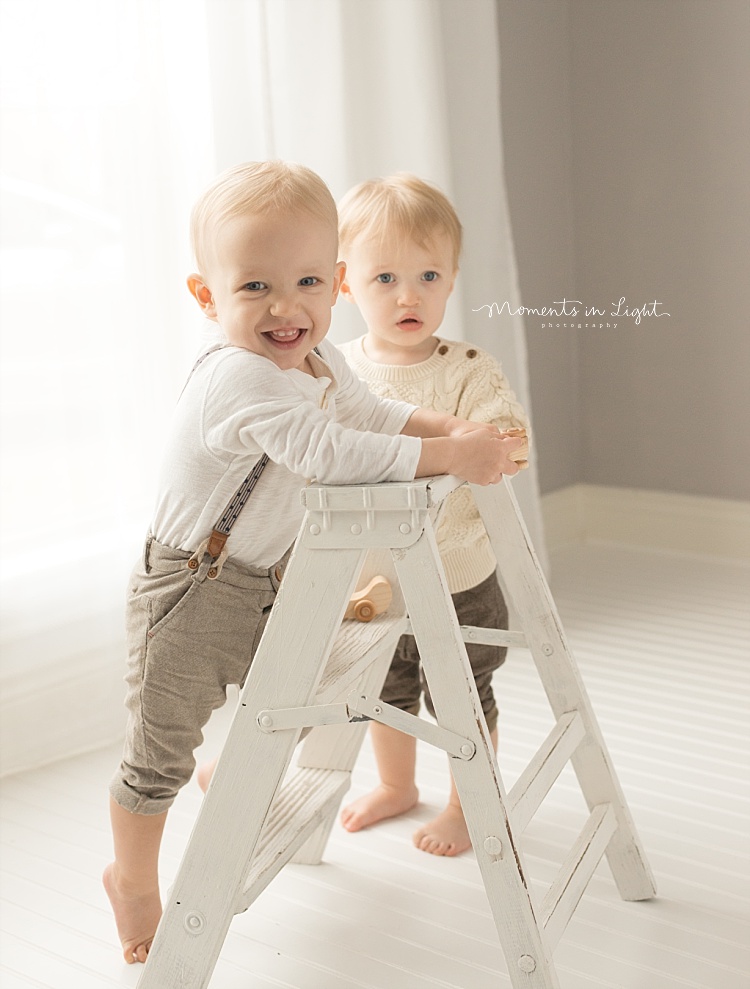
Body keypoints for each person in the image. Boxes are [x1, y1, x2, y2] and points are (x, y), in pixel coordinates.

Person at [102, 160, 525, 965]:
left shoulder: (320, 361)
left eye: (304, 281)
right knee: (158, 750)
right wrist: (448, 455)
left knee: (302, 685)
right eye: (255, 287)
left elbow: (375, 411)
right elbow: (329, 451)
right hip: (190, 587)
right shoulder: (236, 378)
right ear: (207, 297)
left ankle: (239, 763)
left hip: (263, 574)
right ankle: (133, 877)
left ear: (335, 284)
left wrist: (455, 429)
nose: (285, 307)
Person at [336, 173, 530, 857]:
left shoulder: (468, 370)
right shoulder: (336, 374)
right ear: (343, 283)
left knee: (461, 693)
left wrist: (495, 442)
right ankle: (397, 783)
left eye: (427, 275)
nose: (408, 294)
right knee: (381, 689)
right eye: (384, 276)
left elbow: (505, 438)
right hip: (374, 579)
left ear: (451, 281)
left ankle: (466, 801)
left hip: (457, 574)